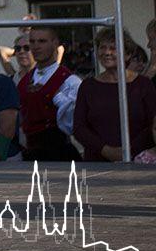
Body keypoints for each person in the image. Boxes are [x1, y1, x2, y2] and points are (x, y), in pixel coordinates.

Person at [73, 28, 156, 161]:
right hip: (97, 163)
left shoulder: (143, 85)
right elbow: (79, 127)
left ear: (127, 54)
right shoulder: (88, 86)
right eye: (102, 47)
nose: (107, 52)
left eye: (113, 48)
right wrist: (106, 150)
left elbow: (152, 124)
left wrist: (128, 151)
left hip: (138, 160)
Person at [17, 26, 81, 161]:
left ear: (55, 44)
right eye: (32, 42)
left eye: (42, 41)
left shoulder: (70, 81)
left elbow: (75, 123)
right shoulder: (24, 81)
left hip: (59, 154)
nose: (36, 46)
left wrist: (56, 97)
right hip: (30, 155)